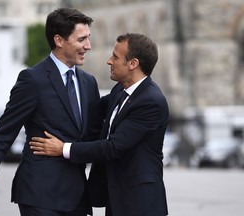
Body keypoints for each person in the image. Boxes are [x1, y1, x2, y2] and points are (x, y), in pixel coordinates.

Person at [0, 7, 102, 216]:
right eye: (81, 39)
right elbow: (5, 131)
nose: (88, 46)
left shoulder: (89, 83)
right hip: (40, 194)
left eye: (88, 38)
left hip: (77, 196)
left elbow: (95, 134)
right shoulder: (32, 80)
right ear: (59, 40)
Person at [30, 33, 169, 216]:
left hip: (140, 202)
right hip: (117, 198)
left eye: (115, 57)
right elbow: (89, 109)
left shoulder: (150, 101)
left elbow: (113, 147)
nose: (109, 61)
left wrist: (63, 148)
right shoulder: (121, 90)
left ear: (133, 64)